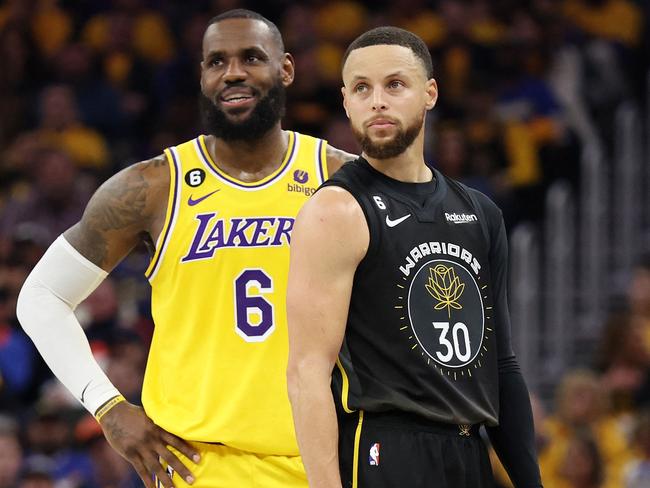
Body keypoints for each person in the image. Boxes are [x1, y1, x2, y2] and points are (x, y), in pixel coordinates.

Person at [17, 9, 354, 488]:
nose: (232, 71)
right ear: (202, 76)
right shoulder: (152, 187)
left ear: (286, 69)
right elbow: (41, 297)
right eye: (216, 61)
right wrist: (108, 408)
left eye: (251, 57)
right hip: (195, 467)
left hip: (321, 462)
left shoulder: (342, 180)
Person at [286, 27, 542, 488]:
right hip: (385, 449)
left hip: (469, 451)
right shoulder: (336, 209)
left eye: (395, 84)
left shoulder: (480, 213)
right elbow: (307, 373)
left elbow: (502, 366)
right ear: (345, 102)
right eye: (362, 88)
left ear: (430, 94)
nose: (377, 101)